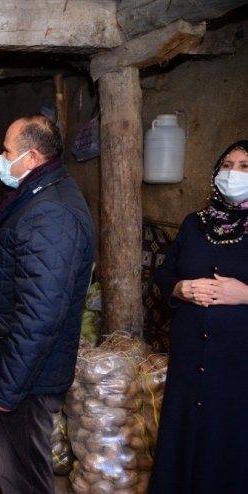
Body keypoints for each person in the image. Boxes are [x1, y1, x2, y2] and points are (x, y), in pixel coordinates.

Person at [0, 114, 94, 494]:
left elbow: (40, 313)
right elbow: (28, 273)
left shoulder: (52, 212)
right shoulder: (39, 194)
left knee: (24, 478)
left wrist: (10, 389)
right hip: (24, 368)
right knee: (17, 471)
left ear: (30, 157)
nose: (0, 157)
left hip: (30, 375)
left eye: (6, 151)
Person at [149, 140, 248, 494]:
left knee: (229, 441)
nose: (232, 173)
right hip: (190, 360)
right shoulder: (195, 223)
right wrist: (181, 289)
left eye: (244, 167)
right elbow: (163, 273)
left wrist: (245, 294)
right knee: (185, 436)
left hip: (238, 366)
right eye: (227, 165)